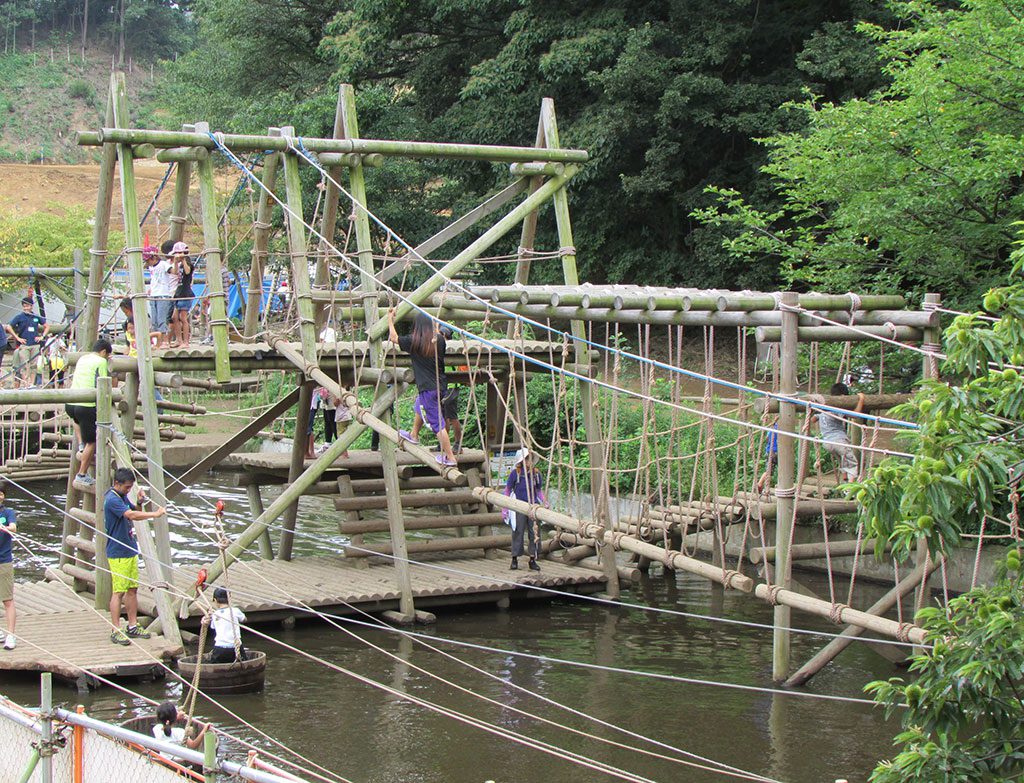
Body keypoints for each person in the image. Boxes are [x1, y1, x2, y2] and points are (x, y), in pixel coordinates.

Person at [386, 309, 458, 467]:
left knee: (437, 424)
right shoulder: (439, 339)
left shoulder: (414, 341)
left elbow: (394, 338)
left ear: (416, 326)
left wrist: (390, 320)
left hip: (428, 388)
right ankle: (414, 435)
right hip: (440, 385)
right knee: (419, 404)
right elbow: (437, 334)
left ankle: (450, 457)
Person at [104, 467, 164, 645]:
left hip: (130, 550)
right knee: (119, 592)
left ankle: (132, 625)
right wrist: (154, 514)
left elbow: (134, 510)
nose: (129, 490)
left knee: (132, 589)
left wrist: (139, 501)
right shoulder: (111, 499)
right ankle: (115, 629)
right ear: (117, 484)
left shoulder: (121, 496)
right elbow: (131, 515)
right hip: (118, 553)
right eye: (127, 487)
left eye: (131, 487)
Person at [65, 338, 113, 486]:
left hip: (71, 402)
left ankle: (81, 444)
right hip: (86, 405)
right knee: (92, 441)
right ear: (104, 352)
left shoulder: (83, 358)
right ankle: (82, 474)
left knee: (76, 420)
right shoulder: (101, 361)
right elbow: (103, 381)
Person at [503, 448, 547, 571]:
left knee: (535, 533)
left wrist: (544, 501)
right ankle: (514, 558)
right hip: (518, 506)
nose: (529, 461)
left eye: (531, 458)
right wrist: (505, 507)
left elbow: (538, 490)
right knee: (518, 531)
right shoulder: (515, 474)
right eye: (527, 458)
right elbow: (508, 490)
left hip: (533, 507)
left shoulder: (536, 474)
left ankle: (533, 558)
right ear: (521, 461)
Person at [816, 382, 865, 483]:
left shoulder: (824, 409)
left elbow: (812, 419)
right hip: (839, 441)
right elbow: (854, 415)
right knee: (852, 463)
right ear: (843, 396)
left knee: (842, 460)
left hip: (827, 443)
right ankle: (849, 488)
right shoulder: (837, 406)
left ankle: (845, 479)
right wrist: (861, 400)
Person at [6, 296, 50, 388]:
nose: (26, 308)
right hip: (24, 345)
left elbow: (47, 326)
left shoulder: (36, 317)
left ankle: (31, 384)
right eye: (24, 306)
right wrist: (17, 338)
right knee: (25, 365)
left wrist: (42, 336)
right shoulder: (19, 317)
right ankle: (26, 383)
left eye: (28, 306)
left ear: (31, 306)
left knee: (34, 365)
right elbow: (9, 327)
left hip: (35, 345)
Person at [146, 245, 176, 348]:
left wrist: (176, 262)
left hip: (163, 294)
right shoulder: (151, 267)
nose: (147, 262)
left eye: (148, 260)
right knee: (154, 320)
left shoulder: (163, 264)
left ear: (153, 258)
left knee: (161, 319)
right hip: (153, 294)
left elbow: (174, 272)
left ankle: (164, 341)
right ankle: (157, 342)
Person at [209, 586, 246, 663]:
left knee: (214, 666)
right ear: (229, 598)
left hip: (219, 648)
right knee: (244, 663)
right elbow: (244, 619)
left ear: (215, 600)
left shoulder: (215, 614)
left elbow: (213, 627)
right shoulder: (235, 611)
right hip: (236, 647)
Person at [0, 487, 17, 650]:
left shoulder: (8, 513)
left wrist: (4, 527)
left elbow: (13, 527)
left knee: (7, 599)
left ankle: (11, 635)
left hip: (4, 561)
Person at [169, 241, 195, 347]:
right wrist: (175, 262)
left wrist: (183, 259)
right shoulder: (178, 265)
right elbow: (174, 273)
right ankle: (178, 340)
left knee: (183, 317)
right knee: (175, 317)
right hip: (178, 293)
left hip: (186, 293)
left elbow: (188, 272)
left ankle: (186, 341)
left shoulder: (189, 264)